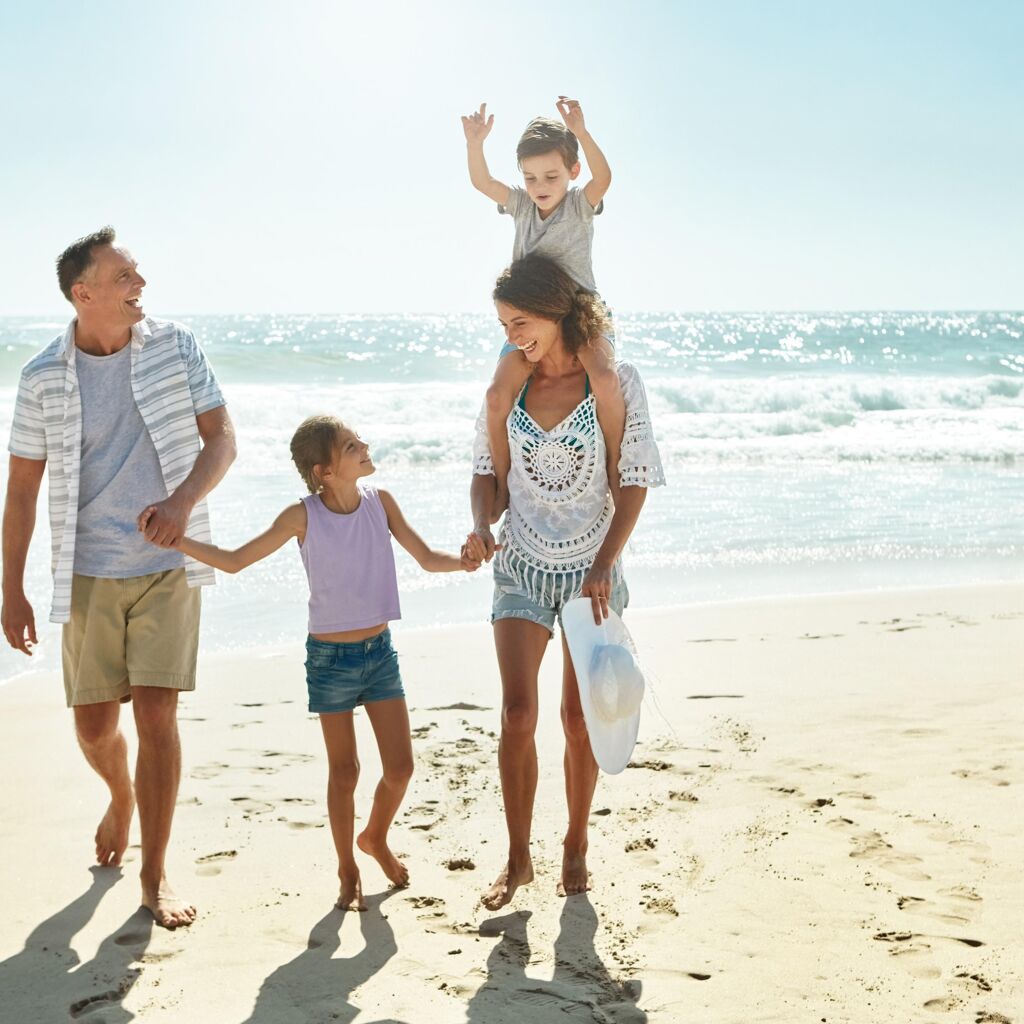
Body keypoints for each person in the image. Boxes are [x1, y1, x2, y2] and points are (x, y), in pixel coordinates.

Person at [140, 414, 481, 911]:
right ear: (324, 470)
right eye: (350, 445)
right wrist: (177, 540)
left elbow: (427, 558)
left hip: (379, 654)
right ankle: (348, 868)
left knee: (401, 768)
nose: (364, 445)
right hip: (330, 660)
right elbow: (235, 560)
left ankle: (376, 838)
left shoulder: (380, 504)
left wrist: (464, 560)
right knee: (345, 773)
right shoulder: (302, 516)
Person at [1, 226, 236, 928]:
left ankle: (155, 875)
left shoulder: (175, 346)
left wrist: (182, 502)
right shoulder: (43, 375)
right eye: (127, 275)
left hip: (168, 560)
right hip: (87, 571)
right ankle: (121, 795)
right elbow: (21, 489)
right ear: (85, 292)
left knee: (158, 713)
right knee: (96, 726)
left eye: (139, 273)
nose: (142, 284)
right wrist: (9, 587)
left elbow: (222, 438)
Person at [463, 254, 665, 910]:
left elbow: (632, 478)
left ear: (557, 312)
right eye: (503, 325)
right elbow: (486, 477)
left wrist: (605, 562)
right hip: (520, 561)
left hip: (592, 572)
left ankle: (575, 840)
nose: (513, 336)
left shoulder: (615, 382)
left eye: (523, 322)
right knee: (518, 714)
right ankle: (519, 856)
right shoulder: (507, 391)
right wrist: (481, 525)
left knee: (579, 718)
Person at [461, 96, 626, 511]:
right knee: (497, 397)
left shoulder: (578, 205)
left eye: (551, 176)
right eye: (531, 178)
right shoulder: (519, 204)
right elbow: (483, 184)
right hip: (531, 319)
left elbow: (604, 178)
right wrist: (475, 144)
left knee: (604, 380)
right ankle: (502, 485)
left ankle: (615, 472)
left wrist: (583, 134)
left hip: (580, 315)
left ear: (572, 172)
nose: (540, 187)